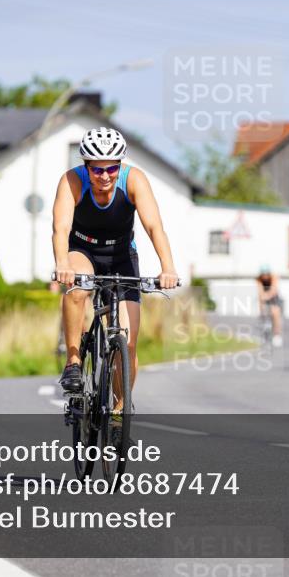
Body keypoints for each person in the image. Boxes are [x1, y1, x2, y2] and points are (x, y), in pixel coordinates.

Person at [52, 127, 179, 410]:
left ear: (119, 165)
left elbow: (154, 226)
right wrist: (62, 263)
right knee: (77, 290)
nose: (105, 176)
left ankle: (121, 411)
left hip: (121, 255)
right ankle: (73, 360)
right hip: (82, 248)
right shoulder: (72, 180)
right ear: (87, 167)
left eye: (111, 168)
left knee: (127, 342)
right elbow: (60, 227)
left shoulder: (133, 180)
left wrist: (167, 267)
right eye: (97, 171)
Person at [256, 264, 284, 347]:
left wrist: (266, 296)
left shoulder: (274, 277)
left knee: (276, 313)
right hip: (264, 298)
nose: (265, 277)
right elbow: (260, 292)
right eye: (263, 275)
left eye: (266, 274)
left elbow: (274, 290)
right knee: (262, 307)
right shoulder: (259, 280)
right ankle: (264, 327)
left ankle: (277, 335)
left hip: (274, 298)